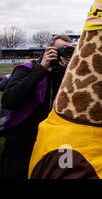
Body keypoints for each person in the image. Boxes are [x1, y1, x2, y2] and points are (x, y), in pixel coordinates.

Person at [0, 35, 74, 179]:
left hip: (55, 141)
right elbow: (9, 100)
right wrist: (42, 69)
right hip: (23, 140)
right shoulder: (27, 68)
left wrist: (70, 70)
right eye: (62, 50)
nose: (65, 54)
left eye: (69, 50)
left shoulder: (68, 73)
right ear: (49, 51)